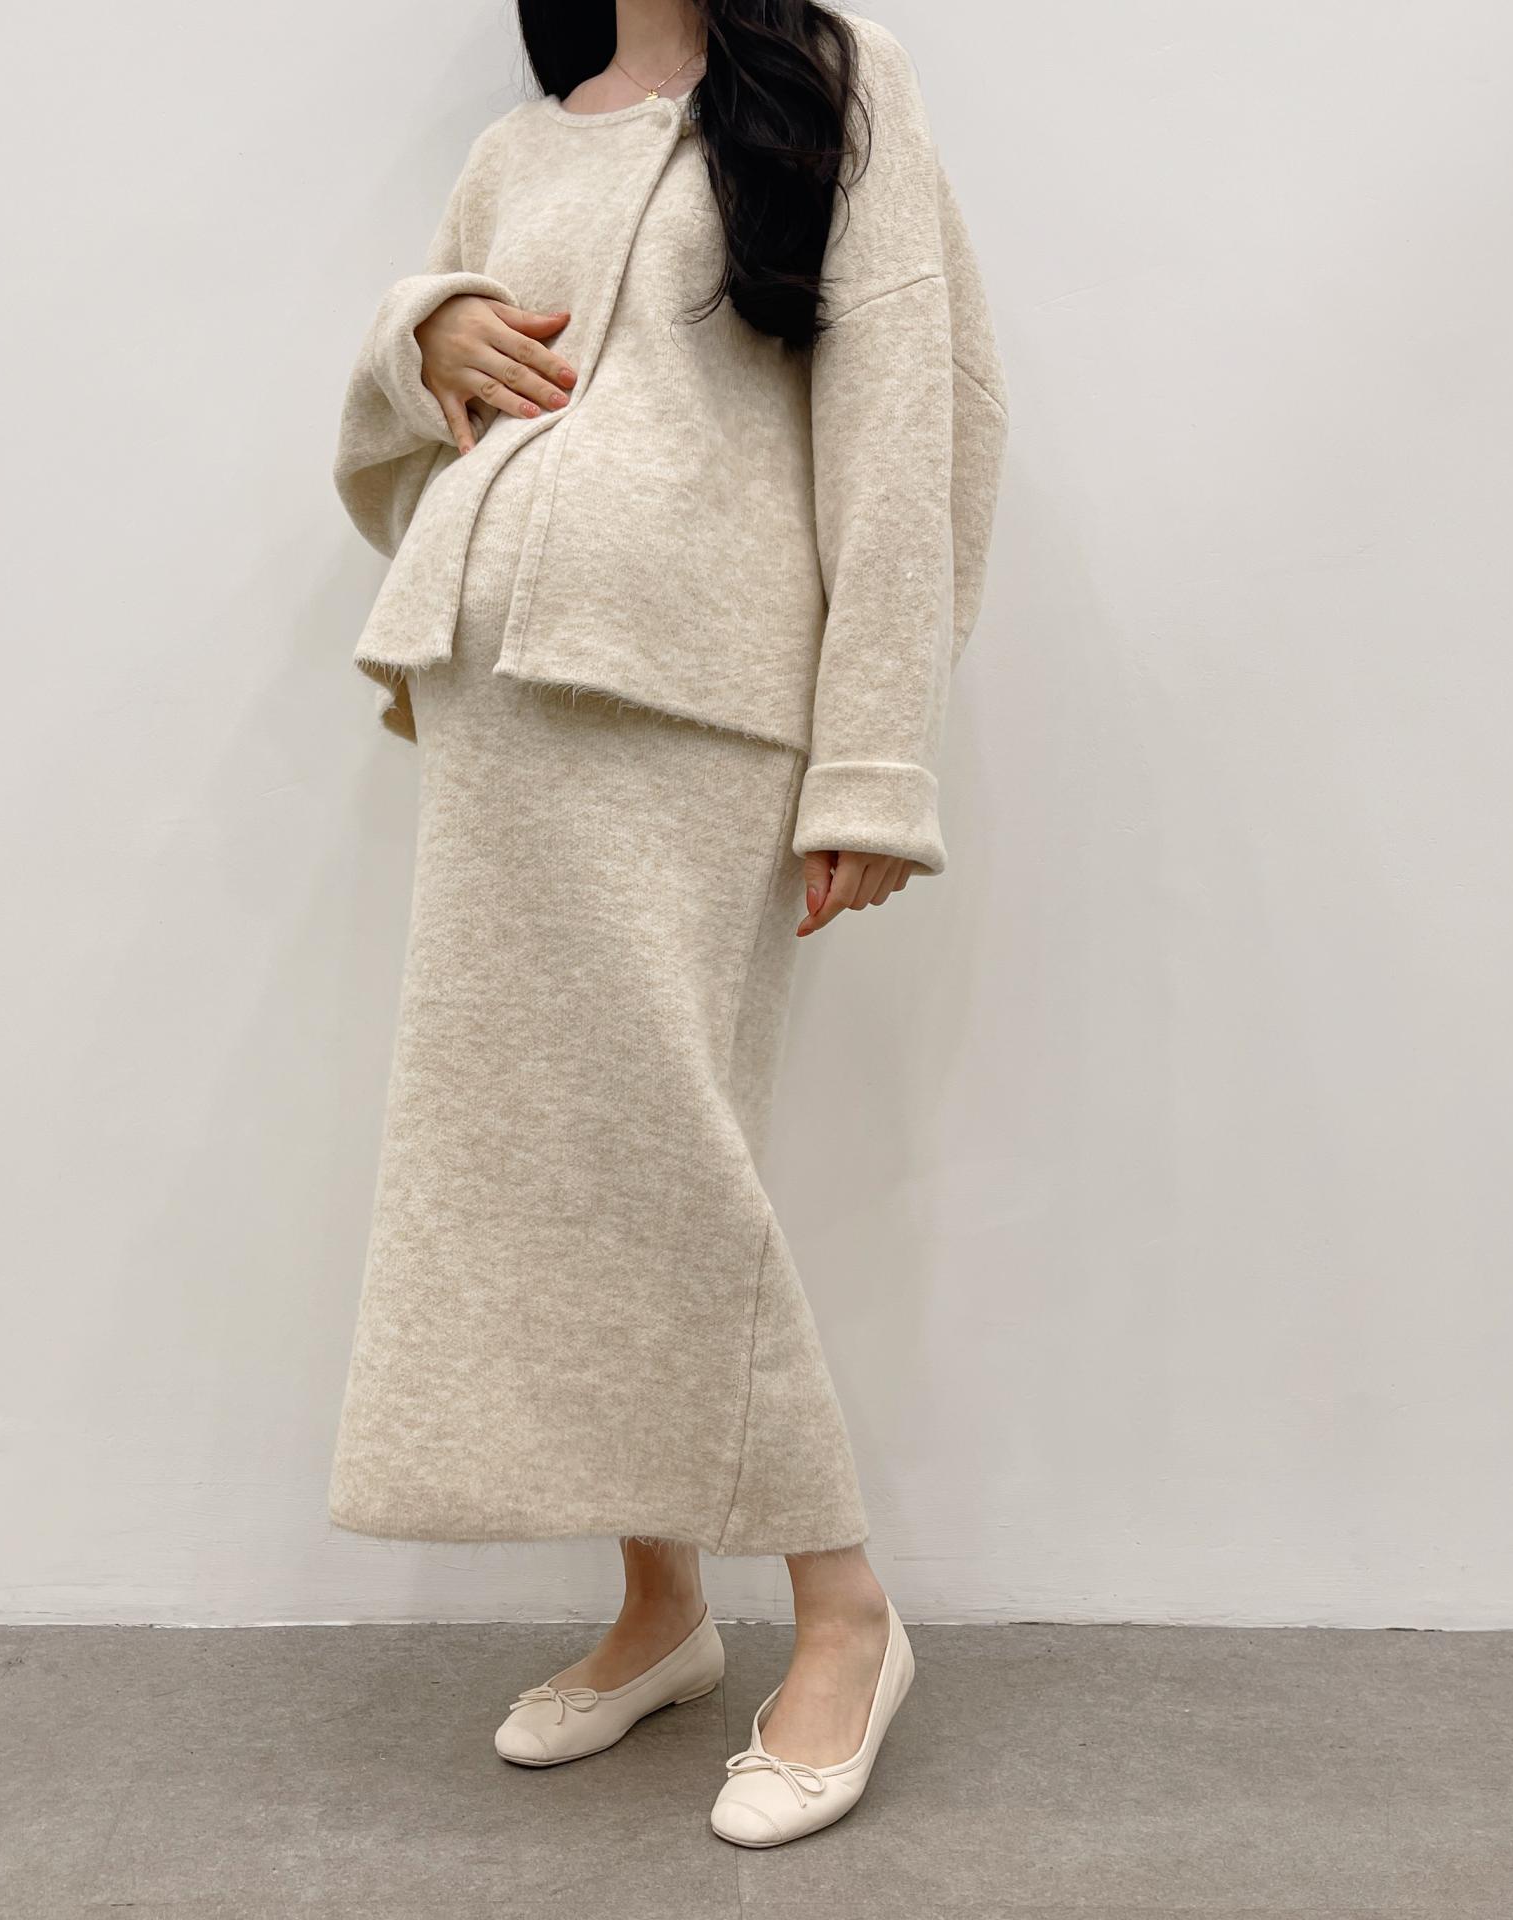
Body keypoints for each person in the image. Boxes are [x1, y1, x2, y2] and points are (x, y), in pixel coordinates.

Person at [327, 0, 1006, 1846]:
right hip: (496, 698)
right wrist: (417, 336)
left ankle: (845, 1613)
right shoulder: (523, 143)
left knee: (662, 1149)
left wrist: (874, 762)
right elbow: (427, 424)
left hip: (698, 702)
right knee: (549, 1154)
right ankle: (660, 1608)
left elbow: (913, 428)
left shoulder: (836, 84)